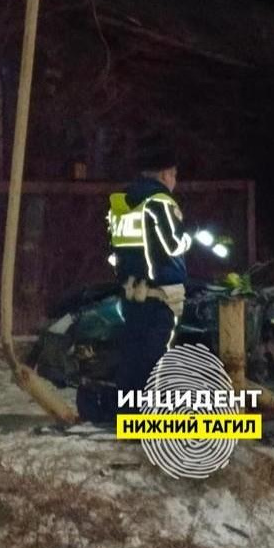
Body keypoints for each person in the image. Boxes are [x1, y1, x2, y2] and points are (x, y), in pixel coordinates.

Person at [106, 147, 195, 416]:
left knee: (131, 357)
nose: (175, 181)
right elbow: (173, 244)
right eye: (174, 175)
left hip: (131, 293)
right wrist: (190, 237)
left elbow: (114, 251)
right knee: (155, 360)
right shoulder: (160, 201)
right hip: (160, 296)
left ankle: (127, 418)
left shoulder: (122, 202)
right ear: (165, 173)